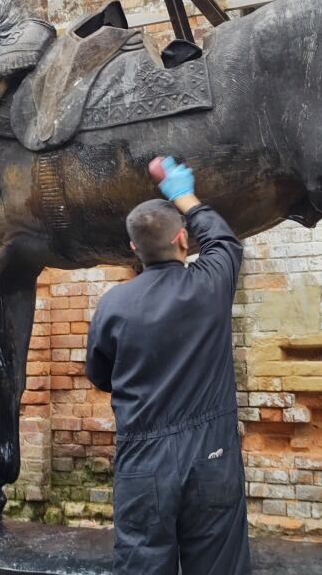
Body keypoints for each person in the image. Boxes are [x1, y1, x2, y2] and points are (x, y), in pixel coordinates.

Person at [86, 157, 251, 574]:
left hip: (144, 462)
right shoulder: (211, 284)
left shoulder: (113, 305)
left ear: (133, 250)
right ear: (183, 239)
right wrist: (182, 195)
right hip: (211, 454)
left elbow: (100, 375)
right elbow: (224, 241)